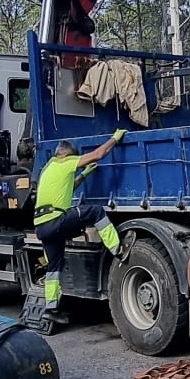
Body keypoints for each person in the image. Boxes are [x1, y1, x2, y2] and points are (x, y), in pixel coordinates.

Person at [33, 130, 127, 314]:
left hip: (41, 227)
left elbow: (68, 186)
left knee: (53, 268)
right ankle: (117, 248)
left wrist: (83, 175)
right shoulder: (65, 162)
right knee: (95, 211)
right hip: (56, 220)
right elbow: (98, 155)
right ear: (67, 154)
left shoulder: (48, 168)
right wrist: (114, 139)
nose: (75, 163)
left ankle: (51, 309)